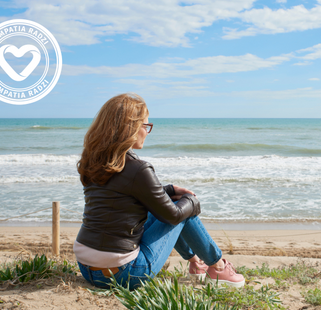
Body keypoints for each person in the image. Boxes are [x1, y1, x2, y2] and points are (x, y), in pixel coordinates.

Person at [73, 93, 244, 289]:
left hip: (87, 269)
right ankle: (218, 267)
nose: (147, 131)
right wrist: (191, 200)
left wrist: (169, 189)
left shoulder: (94, 161)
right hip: (125, 274)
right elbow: (173, 216)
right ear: (130, 128)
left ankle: (197, 263)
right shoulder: (138, 169)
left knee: (171, 205)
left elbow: (124, 194)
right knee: (180, 211)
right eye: (145, 126)